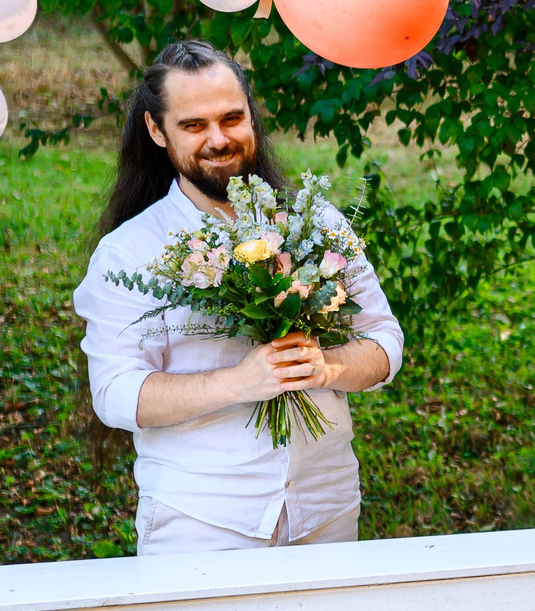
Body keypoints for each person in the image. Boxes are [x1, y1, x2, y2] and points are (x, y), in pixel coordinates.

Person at [74, 39, 405, 556]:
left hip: (327, 506)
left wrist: (326, 368)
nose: (218, 139)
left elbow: (385, 340)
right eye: (194, 125)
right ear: (156, 131)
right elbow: (116, 394)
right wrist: (240, 382)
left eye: (232, 118)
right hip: (202, 519)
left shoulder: (317, 224)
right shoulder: (127, 253)